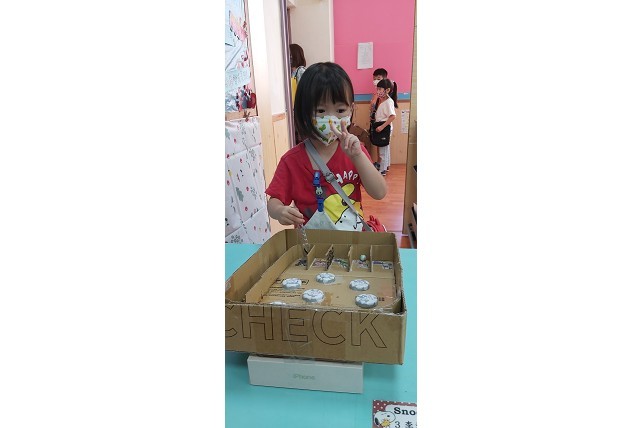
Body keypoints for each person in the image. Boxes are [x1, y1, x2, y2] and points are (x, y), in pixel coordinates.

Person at [266, 62, 387, 231]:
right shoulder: (291, 161)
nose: (331, 119)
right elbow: (273, 201)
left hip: (353, 241)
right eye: (321, 111)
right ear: (304, 112)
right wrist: (280, 211)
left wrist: (358, 157)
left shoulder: (355, 151)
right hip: (313, 244)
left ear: (351, 109)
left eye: (340, 110)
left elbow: (379, 193)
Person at [373, 78, 398, 176]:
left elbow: (393, 116)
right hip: (382, 127)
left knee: (383, 150)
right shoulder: (383, 100)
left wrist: (382, 127)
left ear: (387, 90)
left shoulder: (389, 102)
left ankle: (382, 169)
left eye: (380, 89)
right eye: (377, 89)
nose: (378, 91)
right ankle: (385, 166)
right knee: (385, 148)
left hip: (384, 128)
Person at [369, 68, 389, 167]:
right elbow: (372, 107)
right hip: (378, 122)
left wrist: (375, 98)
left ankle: (382, 166)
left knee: (383, 146)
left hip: (384, 124)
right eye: (374, 79)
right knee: (381, 146)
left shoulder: (385, 95)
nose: (375, 80)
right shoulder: (377, 93)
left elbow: (373, 105)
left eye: (378, 78)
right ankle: (383, 165)